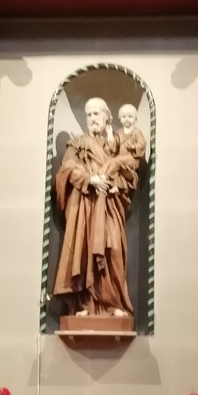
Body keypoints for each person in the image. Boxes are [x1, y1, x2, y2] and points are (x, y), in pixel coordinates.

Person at [54, 98, 138, 319]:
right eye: (89, 114)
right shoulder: (78, 144)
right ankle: (85, 304)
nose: (92, 118)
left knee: (114, 251)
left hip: (110, 205)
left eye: (96, 114)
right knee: (84, 251)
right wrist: (90, 180)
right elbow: (66, 170)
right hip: (86, 207)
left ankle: (114, 302)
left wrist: (115, 181)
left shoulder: (117, 144)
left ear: (107, 116)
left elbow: (131, 173)